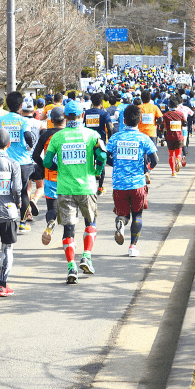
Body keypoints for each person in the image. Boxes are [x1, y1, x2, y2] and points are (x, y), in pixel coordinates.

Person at [43, 100, 107, 284]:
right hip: (86, 187)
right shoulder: (92, 135)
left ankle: (71, 267)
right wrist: (96, 171)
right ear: (83, 115)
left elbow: (47, 162)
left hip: (64, 188)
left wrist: (59, 167)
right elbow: (102, 156)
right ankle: (86, 256)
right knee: (90, 221)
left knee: (68, 229)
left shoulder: (57, 137)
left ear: (65, 117)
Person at [106, 105, 158, 257]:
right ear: (139, 120)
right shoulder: (143, 138)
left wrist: (115, 164)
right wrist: (146, 170)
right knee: (137, 215)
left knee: (123, 213)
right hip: (137, 184)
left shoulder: (115, 137)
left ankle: (121, 223)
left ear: (123, 120)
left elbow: (106, 156)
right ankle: (132, 247)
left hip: (119, 184)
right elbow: (155, 159)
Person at [0, 92, 35, 233]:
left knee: (4, 190)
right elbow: (27, 135)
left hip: (3, 160)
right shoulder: (24, 120)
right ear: (21, 106)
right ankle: (22, 222)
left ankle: (5, 218)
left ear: (7, 105)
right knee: (24, 192)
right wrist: (30, 146)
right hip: (23, 161)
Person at [0, 128, 22, 297]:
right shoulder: (13, 164)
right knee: (7, 248)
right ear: (9, 144)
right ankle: (2, 286)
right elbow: (17, 190)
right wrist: (18, 204)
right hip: (7, 213)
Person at [32, 106, 66, 245]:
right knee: (69, 210)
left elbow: (35, 155)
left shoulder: (46, 135)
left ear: (51, 120)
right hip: (67, 178)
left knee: (51, 209)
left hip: (50, 177)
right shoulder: (69, 134)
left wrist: (43, 166)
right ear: (65, 119)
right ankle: (67, 238)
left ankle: (51, 222)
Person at [83, 93, 114, 195]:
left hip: (88, 141)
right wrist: (109, 138)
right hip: (100, 142)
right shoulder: (104, 113)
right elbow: (110, 126)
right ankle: (100, 187)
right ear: (101, 103)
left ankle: (88, 185)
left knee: (89, 163)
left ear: (92, 102)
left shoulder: (86, 113)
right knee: (101, 164)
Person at [162, 97, 187, 177]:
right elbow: (185, 123)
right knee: (178, 153)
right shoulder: (180, 114)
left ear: (169, 105)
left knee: (171, 155)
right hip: (179, 136)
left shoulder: (165, 115)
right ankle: (178, 160)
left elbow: (162, 126)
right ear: (177, 106)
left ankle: (173, 172)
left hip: (169, 137)